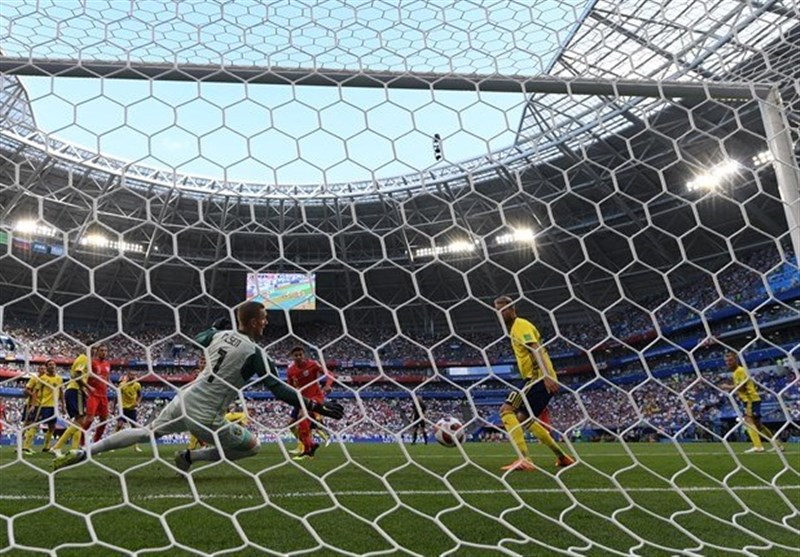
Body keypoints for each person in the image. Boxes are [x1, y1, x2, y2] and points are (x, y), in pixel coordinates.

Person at [54, 302, 344, 472]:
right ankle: (190, 457)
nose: (267, 323)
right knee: (252, 447)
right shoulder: (256, 353)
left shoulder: (219, 336)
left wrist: (215, 327)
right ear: (254, 322)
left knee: (147, 432)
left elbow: (199, 338)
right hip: (207, 416)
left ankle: (84, 452)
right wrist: (315, 405)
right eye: (265, 319)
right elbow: (276, 388)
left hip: (185, 398)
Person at [494, 296, 575, 472]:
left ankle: (525, 459)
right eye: (497, 311)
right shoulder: (514, 329)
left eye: (503, 310)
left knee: (506, 410)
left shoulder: (520, 325)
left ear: (512, 309)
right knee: (525, 419)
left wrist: (546, 375)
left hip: (536, 376)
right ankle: (562, 457)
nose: (500, 314)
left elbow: (535, 347)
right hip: (535, 377)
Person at [721, 351, 783, 454]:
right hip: (750, 399)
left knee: (748, 421)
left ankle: (758, 446)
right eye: (726, 361)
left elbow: (742, 386)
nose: (728, 363)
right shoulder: (736, 372)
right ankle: (778, 445)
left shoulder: (740, 371)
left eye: (730, 360)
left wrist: (727, 387)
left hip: (750, 399)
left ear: (736, 360)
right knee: (758, 425)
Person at [286, 345, 335, 460]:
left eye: (300, 354)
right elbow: (290, 386)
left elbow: (329, 374)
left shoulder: (312, 364)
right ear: (292, 357)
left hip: (315, 397)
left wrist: (328, 385)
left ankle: (309, 446)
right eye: (296, 355)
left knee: (302, 417)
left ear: (304, 355)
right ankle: (309, 445)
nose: (298, 357)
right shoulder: (290, 371)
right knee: (291, 424)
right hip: (301, 399)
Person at [51, 352, 90, 457]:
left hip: (73, 390)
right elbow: (77, 375)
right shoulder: (84, 358)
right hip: (76, 390)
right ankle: (57, 447)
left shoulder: (82, 358)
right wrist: (87, 388)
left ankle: (74, 449)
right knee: (81, 420)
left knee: (78, 421)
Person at [83, 344, 112, 444]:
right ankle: (81, 442)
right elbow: (86, 376)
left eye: (105, 351)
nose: (104, 352)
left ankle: (96, 442)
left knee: (104, 420)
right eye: (102, 350)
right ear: (97, 352)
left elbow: (107, 378)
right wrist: (87, 388)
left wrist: (113, 387)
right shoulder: (92, 363)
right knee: (89, 419)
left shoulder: (107, 364)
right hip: (93, 395)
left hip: (104, 395)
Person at [31, 360, 63, 452]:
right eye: (50, 365)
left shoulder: (59, 378)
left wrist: (63, 405)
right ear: (47, 367)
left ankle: (46, 446)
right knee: (35, 425)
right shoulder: (43, 378)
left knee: (52, 426)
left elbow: (61, 392)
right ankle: (25, 446)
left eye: (53, 364)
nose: (52, 366)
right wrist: (33, 405)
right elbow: (35, 391)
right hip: (44, 405)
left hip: (54, 406)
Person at [114, 371, 143, 452]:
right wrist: (113, 407)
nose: (133, 376)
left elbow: (140, 395)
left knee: (134, 428)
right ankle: (113, 444)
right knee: (119, 426)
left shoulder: (137, 385)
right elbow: (117, 397)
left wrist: (138, 402)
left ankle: (136, 446)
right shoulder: (122, 385)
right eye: (131, 375)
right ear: (128, 376)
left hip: (132, 409)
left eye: (134, 375)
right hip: (123, 408)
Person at [20, 365, 45, 455]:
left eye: (44, 369)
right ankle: (25, 447)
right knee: (30, 424)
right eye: (41, 368)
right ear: (38, 370)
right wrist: (33, 395)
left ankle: (23, 446)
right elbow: (25, 390)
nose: (43, 370)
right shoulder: (34, 379)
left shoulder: (45, 380)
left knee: (31, 425)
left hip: (40, 404)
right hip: (31, 404)